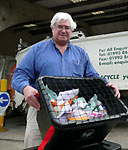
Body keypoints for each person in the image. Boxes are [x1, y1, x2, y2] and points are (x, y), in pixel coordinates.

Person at [12, 12, 120, 149]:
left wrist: (107, 84)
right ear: (52, 28)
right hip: (41, 109)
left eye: (67, 28)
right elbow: (19, 75)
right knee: (35, 145)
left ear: (72, 30)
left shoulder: (80, 53)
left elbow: (93, 77)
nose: (64, 30)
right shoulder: (37, 50)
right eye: (60, 27)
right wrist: (25, 88)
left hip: (73, 111)